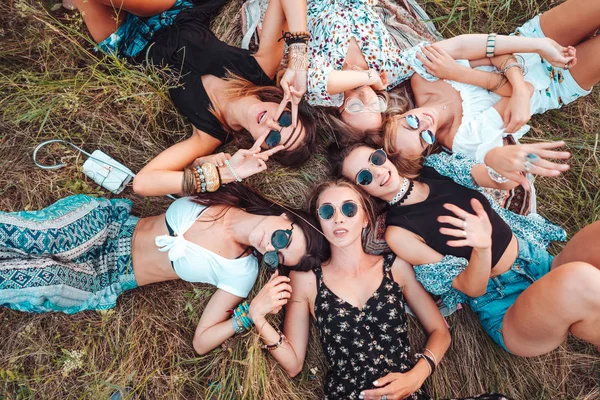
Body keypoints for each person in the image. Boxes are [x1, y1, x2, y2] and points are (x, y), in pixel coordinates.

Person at [0, 145, 325, 355]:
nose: (270, 248)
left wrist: (250, 313)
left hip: (107, 277)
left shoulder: (241, 271)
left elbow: (202, 341)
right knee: (39, 236)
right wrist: (227, 170)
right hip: (107, 228)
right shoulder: (229, 189)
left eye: (276, 258)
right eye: (283, 240)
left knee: (43, 279)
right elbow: (155, 178)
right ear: (286, 217)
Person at [247, 179, 510, 400]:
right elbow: (294, 364)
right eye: (327, 212)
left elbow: (439, 331)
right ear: (319, 221)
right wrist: (258, 319)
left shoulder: (395, 267)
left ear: (365, 219)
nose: (339, 218)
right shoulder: (305, 280)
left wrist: (417, 376)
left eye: (349, 209)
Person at [332, 143, 600, 356]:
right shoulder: (399, 232)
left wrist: (501, 161)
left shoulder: (435, 168)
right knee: (581, 279)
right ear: (362, 192)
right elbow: (472, 288)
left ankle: (584, 313)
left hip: (537, 260)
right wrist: (481, 248)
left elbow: (499, 180)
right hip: (505, 305)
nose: (377, 171)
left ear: (385, 155)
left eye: (375, 159)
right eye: (364, 176)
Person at [73, 0, 316, 168]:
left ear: (258, 148)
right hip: (168, 11)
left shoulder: (210, 135)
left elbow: (145, 182)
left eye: (273, 139)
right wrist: (299, 60)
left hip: (127, 42)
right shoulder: (260, 70)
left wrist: (224, 171)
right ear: (285, 106)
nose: (272, 123)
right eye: (285, 120)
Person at [383, 0, 600, 170]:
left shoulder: (423, 78)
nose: (425, 125)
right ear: (426, 149)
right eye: (424, 138)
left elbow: (495, 52)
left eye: (410, 123)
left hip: (527, 42)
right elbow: (528, 89)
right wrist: (459, 73)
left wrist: (519, 85)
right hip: (553, 85)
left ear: (397, 116)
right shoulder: (463, 140)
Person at [306, 0, 575, 135]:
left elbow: (317, 81)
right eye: (374, 106)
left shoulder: (324, 91)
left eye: (355, 107)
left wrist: (366, 77)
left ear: (337, 109)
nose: (364, 97)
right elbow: (459, 47)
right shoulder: (393, 70)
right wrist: (538, 46)